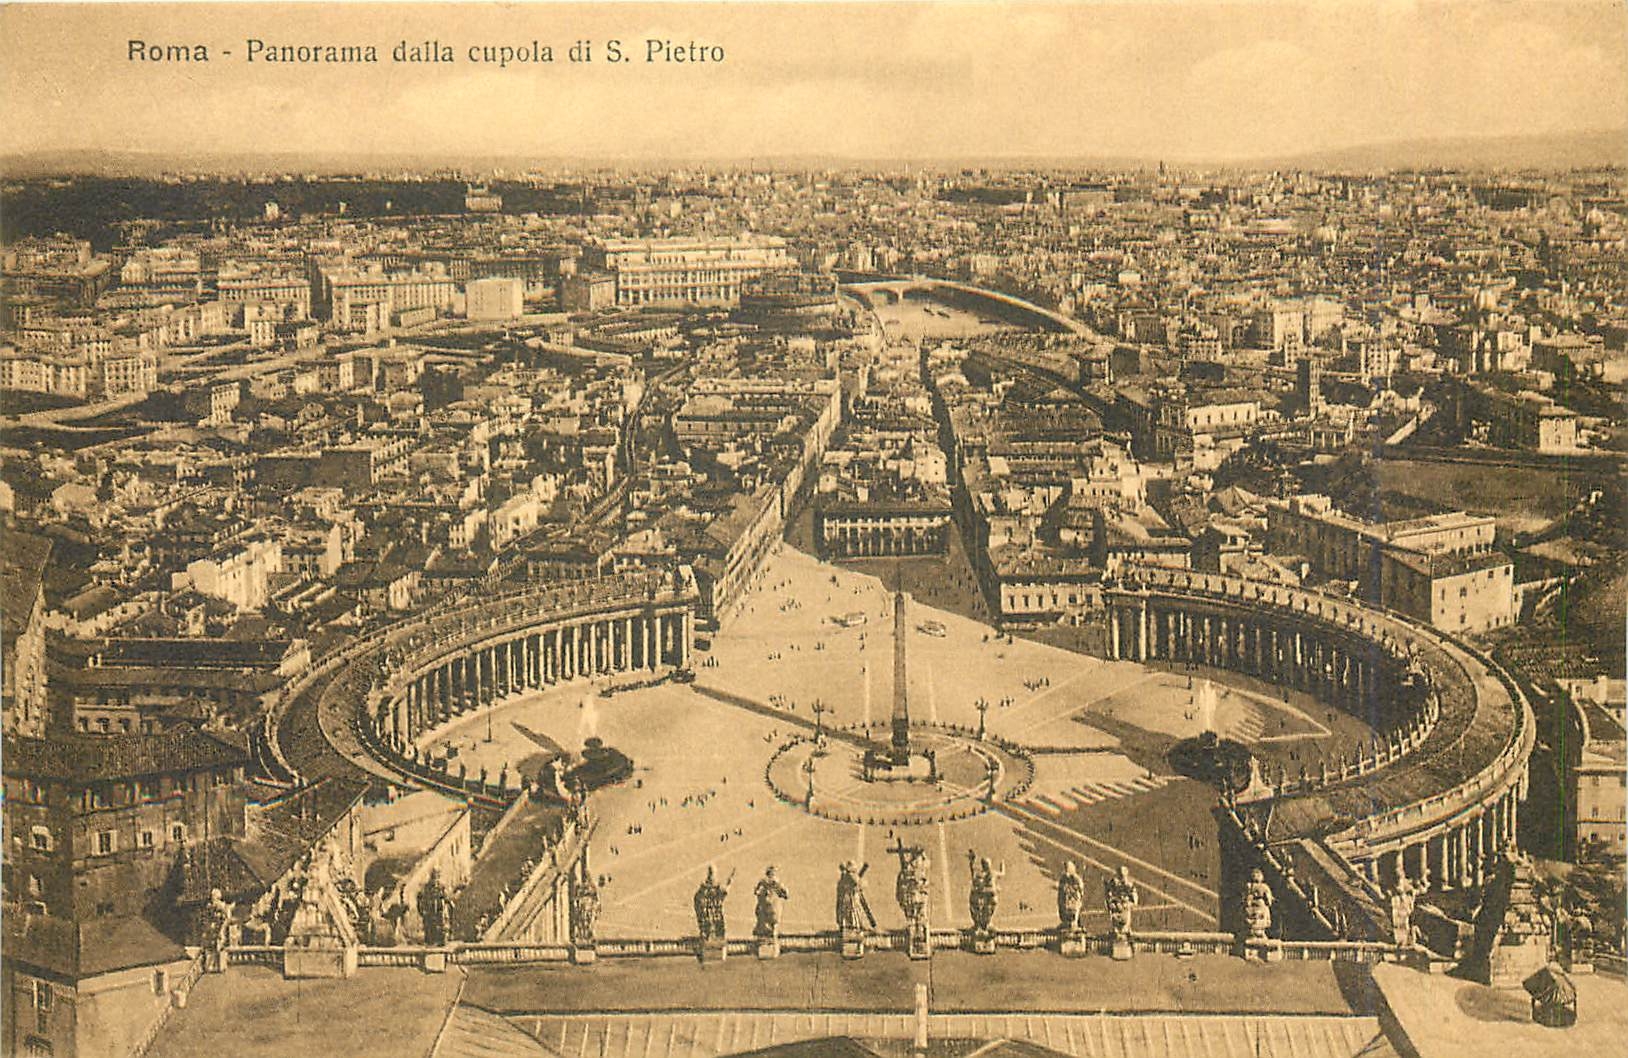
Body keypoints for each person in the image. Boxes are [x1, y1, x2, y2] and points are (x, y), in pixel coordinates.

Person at [754, 866, 789, 939]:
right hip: (772, 904)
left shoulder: (764, 881)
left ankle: (766, 933)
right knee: (773, 920)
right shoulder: (775, 882)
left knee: (762, 917)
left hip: (766, 904)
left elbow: (757, 891)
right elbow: (783, 892)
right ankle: (772, 934)